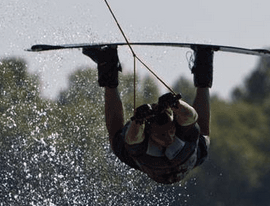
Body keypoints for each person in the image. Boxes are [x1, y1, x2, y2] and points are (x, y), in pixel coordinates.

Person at [83, 45, 214, 184]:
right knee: (202, 133)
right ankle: (204, 61)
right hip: (183, 160)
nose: (169, 137)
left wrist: (140, 119)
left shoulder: (143, 147)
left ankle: (107, 63)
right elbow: (190, 117)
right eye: (162, 134)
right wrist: (173, 104)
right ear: (149, 132)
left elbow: (132, 138)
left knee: (116, 138)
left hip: (155, 161)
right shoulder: (181, 139)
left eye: (170, 131)